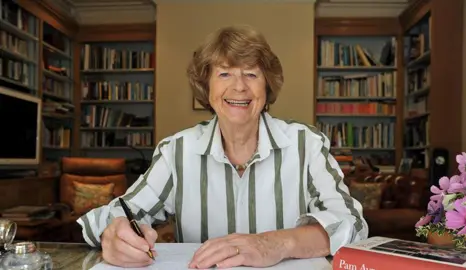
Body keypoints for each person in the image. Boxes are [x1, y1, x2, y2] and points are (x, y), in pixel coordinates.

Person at [77, 25, 368, 269]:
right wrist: (113, 233)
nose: (239, 86)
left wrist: (274, 244)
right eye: (225, 73)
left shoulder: (306, 143)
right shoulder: (177, 150)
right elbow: (117, 213)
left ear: (267, 88)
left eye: (251, 74)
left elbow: (352, 224)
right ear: (207, 87)